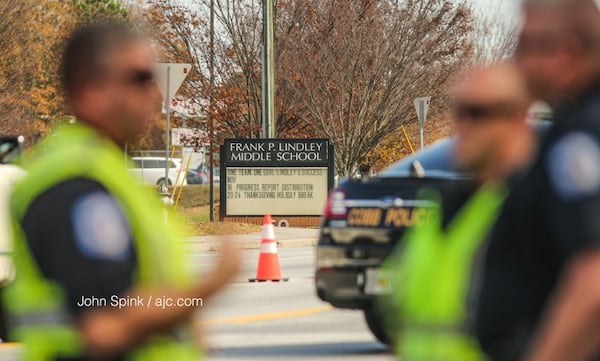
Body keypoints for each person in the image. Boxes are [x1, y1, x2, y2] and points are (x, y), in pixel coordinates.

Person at [0, 22, 240, 361]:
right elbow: (103, 324)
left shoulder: (110, 173)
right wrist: (209, 286)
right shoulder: (74, 185)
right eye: (139, 78)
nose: (154, 91)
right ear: (90, 90)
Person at [474, 1, 600, 360]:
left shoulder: (582, 138)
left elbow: (594, 274)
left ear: (563, 50)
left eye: (523, 44)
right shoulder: (574, 119)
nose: (516, 58)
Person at [386, 63, 535, 361]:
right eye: (460, 111)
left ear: (516, 118)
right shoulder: (438, 207)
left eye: (479, 113)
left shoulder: (533, 209)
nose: (465, 124)